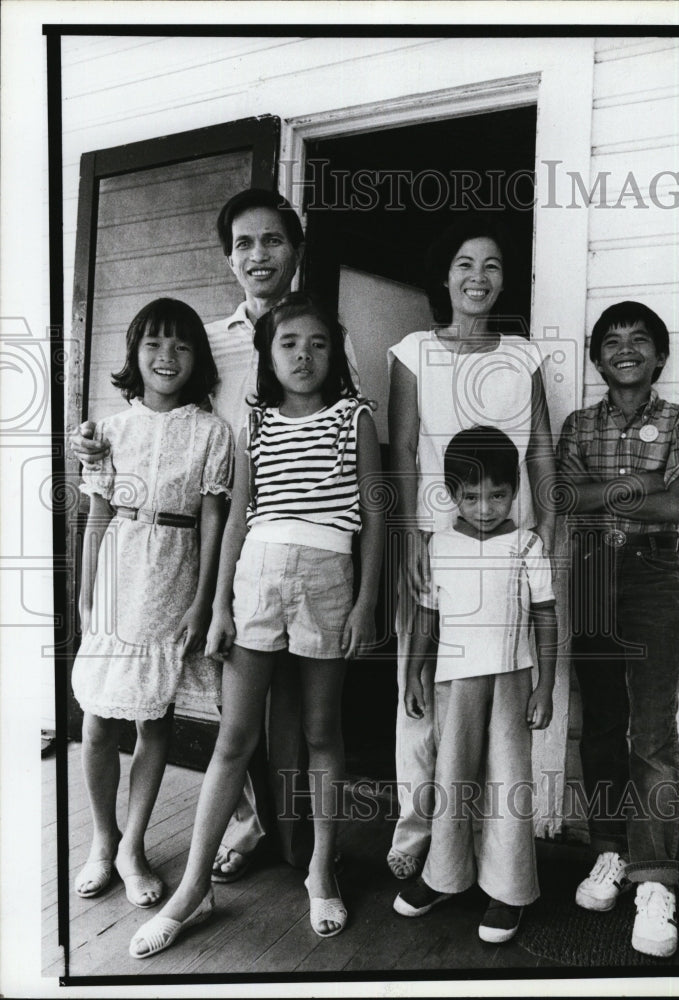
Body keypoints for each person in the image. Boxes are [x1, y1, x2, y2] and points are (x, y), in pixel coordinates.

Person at [70, 189, 321, 881]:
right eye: (244, 243)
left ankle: (288, 835)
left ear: (294, 250)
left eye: (272, 240)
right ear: (229, 257)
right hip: (176, 552)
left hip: (279, 530)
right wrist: (94, 446)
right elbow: (119, 476)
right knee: (208, 691)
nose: (258, 254)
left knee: (283, 694)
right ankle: (232, 821)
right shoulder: (215, 337)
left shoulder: (318, 333)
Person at [129, 292, 384, 957]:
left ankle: (321, 867)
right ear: (269, 355)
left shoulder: (354, 417)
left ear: (335, 353)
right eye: (290, 343)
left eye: (319, 343)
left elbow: (378, 518)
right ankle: (192, 888)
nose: (304, 354)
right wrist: (217, 607)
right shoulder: (257, 423)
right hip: (256, 586)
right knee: (234, 740)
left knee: (323, 732)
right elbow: (238, 518)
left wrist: (365, 605)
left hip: (330, 583)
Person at [386, 214, 556, 880]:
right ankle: (415, 838)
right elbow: (401, 447)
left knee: (499, 705)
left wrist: (549, 528)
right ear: (445, 275)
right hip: (438, 541)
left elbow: (540, 447)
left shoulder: (525, 354)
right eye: (464, 263)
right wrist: (407, 537)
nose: (478, 277)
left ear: (504, 278)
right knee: (424, 691)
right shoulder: (411, 351)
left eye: (491, 265)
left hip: (509, 541)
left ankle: (490, 853)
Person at [71, 298, 233, 908]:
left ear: (199, 359)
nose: (168, 357)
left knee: (153, 719)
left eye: (182, 346)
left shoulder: (213, 433)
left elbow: (214, 520)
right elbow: (97, 515)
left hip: (174, 576)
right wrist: (88, 595)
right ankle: (102, 840)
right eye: (154, 345)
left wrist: (201, 601)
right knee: (97, 721)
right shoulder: (109, 431)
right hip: (119, 574)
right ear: (135, 355)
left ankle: (134, 846)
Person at [556, 300, 679, 959]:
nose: (625, 349)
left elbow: (676, 505)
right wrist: (641, 480)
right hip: (589, 571)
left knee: (651, 728)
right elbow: (562, 497)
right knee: (603, 718)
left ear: (660, 355)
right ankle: (609, 853)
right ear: (595, 358)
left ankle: (655, 880)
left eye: (639, 340)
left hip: (650, 572)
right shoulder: (577, 424)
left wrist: (609, 489)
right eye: (611, 341)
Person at [393, 426, 557, 944]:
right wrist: (413, 671)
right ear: (451, 494)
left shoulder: (527, 545)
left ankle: (508, 891)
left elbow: (547, 616)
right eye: (471, 496)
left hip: (511, 681)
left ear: (515, 491)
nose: (485, 507)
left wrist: (546, 685)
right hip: (455, 684)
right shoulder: (438, 546)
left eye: (498, 494)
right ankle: (444, 876)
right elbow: (426, 614)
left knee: (508, 782)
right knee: (452, 778)